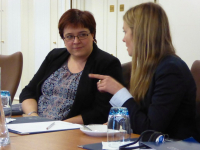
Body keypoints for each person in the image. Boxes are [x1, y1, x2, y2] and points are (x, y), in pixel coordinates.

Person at [89, 2, 197, 140]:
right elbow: (142, 116)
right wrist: (119, 123)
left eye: (125, 31)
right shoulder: (151, 67)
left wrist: (119, 92)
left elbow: (150, 129)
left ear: (140, 34)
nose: (123, 39)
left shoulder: (171, 70)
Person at [19, 9, 124, 125]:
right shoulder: (54, 56)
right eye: (69, 36)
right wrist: (34, 117)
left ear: (92, 34)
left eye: (82, 35)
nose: (76, 41)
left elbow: (101, 112)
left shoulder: (107, 63)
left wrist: (59, 126)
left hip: (69, 131)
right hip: (37, 125)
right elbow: (28, 92)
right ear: (63, 39)